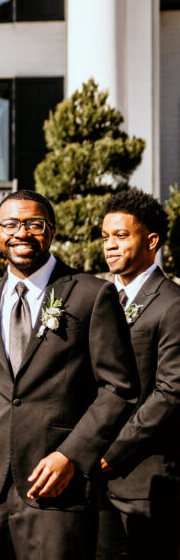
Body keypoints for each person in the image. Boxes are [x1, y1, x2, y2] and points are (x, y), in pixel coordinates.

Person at [0, 190, 140, 560]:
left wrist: (71, 455)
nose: (22, 233)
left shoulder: (92, 295)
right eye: (11, 224)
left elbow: (119, 389)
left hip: (58, 491)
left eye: (34, 224)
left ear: (51, 231)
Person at [96, 189, 180, 559]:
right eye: (104, 237)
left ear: (151, 241)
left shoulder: (172, 305)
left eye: (121, 235)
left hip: (147, 478)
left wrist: (112, 452)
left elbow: (171, 392)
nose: (109, 246)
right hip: (93, 479)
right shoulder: (98, 298)